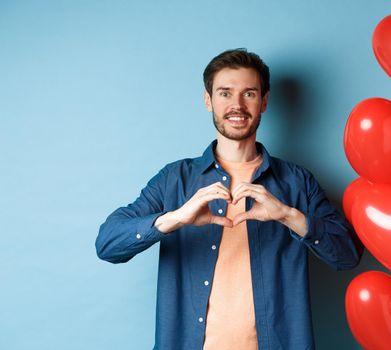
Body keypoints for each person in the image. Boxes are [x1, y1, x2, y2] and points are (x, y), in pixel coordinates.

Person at [96, 48, 363, 350]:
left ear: (264, 101)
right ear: (208, 100)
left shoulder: (296, 182)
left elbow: (347, 256)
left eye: (249, 93)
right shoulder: (175, 179)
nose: (237, 105)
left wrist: (288, 216)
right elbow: (107, 244)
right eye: (225, 93)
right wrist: (176, 218)